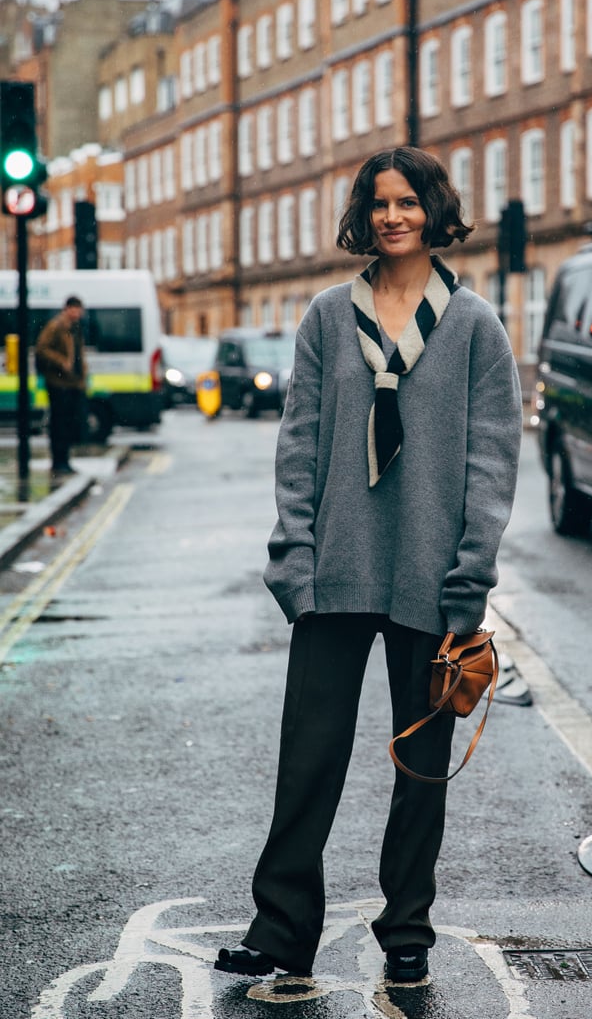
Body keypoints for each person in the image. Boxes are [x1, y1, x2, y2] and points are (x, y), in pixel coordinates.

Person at [214, 147, 523, 984]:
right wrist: (295, 559)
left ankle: (407, 929)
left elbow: (492, 461)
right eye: (379, 203)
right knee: (306, 760)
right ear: (364, 214)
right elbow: (300, 443)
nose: (392, 217)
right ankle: (281, 929)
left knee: (420, 769)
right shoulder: (324, 317)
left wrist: (470, 577)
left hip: (432, 580)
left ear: (434, 210)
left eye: (407, 202)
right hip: (333, 575)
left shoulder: (473, 327)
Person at [35, 295, 87, 477]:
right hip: (58, 383)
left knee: (69, 423)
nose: (77, 313)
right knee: (59, 423)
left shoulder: (75, 328)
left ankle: (64, 461)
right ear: (67, 309)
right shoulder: (56, 326)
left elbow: (79, 355)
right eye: (74, 309)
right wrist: (62, 361)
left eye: (79, 310)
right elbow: (41, 349)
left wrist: (81, 380)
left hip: (72, 383)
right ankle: (59, 462)